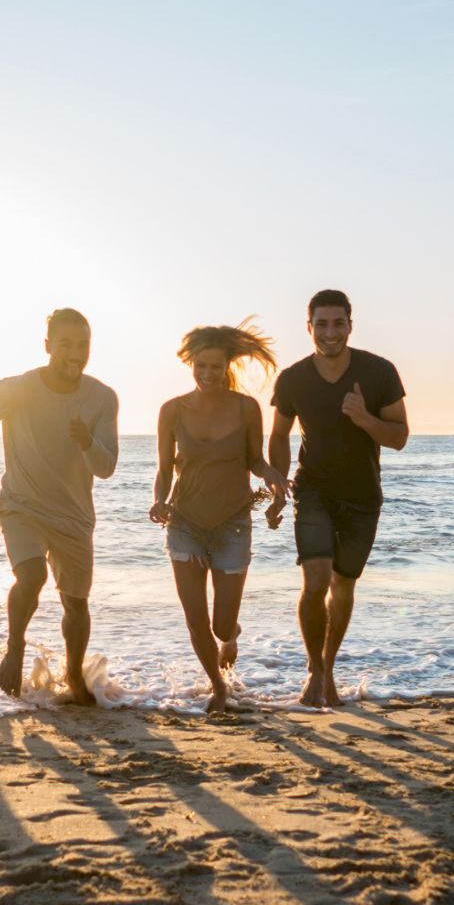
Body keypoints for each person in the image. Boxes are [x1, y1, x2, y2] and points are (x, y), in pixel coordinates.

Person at [0, 308, 118, 705]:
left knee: (76, 603)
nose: (75, 354)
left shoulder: (102, 397)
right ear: (47, 346)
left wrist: (86, 442)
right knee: (32, 576)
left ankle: (74, 675)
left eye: (83, 345)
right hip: (21, 505)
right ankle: (15, 648)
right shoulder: (18, 389)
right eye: (65, 344)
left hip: (74, 515)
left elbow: (106, 467)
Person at [266, 289, 408, 707]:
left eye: (338, 323)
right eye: (321, 324)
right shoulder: (292, 379)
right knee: (314, 581)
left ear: (350, 324)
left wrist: (364, 418)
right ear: (309, 327)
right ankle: (314, 669)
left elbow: (399, 436)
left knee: (343, 584)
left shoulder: (380, 372)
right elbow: (277, 434)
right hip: (313, 490)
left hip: (363, 495)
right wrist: (277, 480)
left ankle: (328, 667)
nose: (330, 333)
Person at [150, 322, 286, 712]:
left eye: (215, 367)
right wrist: (159, 500)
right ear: (190, 363)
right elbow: (163, 469)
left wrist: (272, 476)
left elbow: (254, 459)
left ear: (227, 366)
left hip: (232, 524)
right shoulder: (171, 410)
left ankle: (232, 636)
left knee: (221, 625)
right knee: (196, 620)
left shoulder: (246, 408)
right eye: (201, 366)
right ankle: (218, 687)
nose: (208, 375)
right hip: (185, 524)